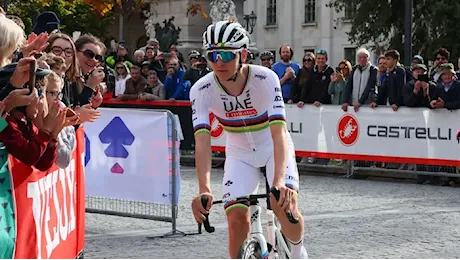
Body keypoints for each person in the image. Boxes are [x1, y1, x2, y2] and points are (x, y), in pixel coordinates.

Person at [190, 20, 308, 260]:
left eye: (226, 54)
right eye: (212, 56)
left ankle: (298, 251)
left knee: (283, 206)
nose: (219, 62)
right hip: (239, 153)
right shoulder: (201, 89)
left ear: (243, 54)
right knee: (235, 220)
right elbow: (202, 142)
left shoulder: (265, 79)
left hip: (272, 147)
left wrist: (278, 182)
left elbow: (278, 133)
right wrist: (203, 189)